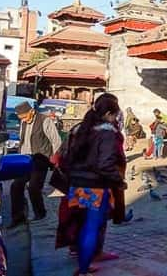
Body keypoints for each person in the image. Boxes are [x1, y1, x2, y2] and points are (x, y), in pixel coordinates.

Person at [64, 93, 126, 276]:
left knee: (83, 226)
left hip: (77, 185)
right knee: (92, 227)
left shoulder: (81, 129)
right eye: (115, 115)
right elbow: (105, 164)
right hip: (95, 186)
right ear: (108, 113)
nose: (115, 119)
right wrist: (118, 180)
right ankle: (84, 270)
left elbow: (68, 158)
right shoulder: (106, 133)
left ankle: (84, 264)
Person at [9, 101, 62, 228]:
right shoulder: (23, 122)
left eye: (25, 117)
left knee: (34, 187)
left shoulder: (45, 121)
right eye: (21, 118)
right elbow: (22, 141)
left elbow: (56, 141)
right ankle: (18, 217)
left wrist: (56, 160)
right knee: (16, 186)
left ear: (32, 112)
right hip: (24, 160)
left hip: (40, 159)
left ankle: (40, 214)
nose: (23, 120)